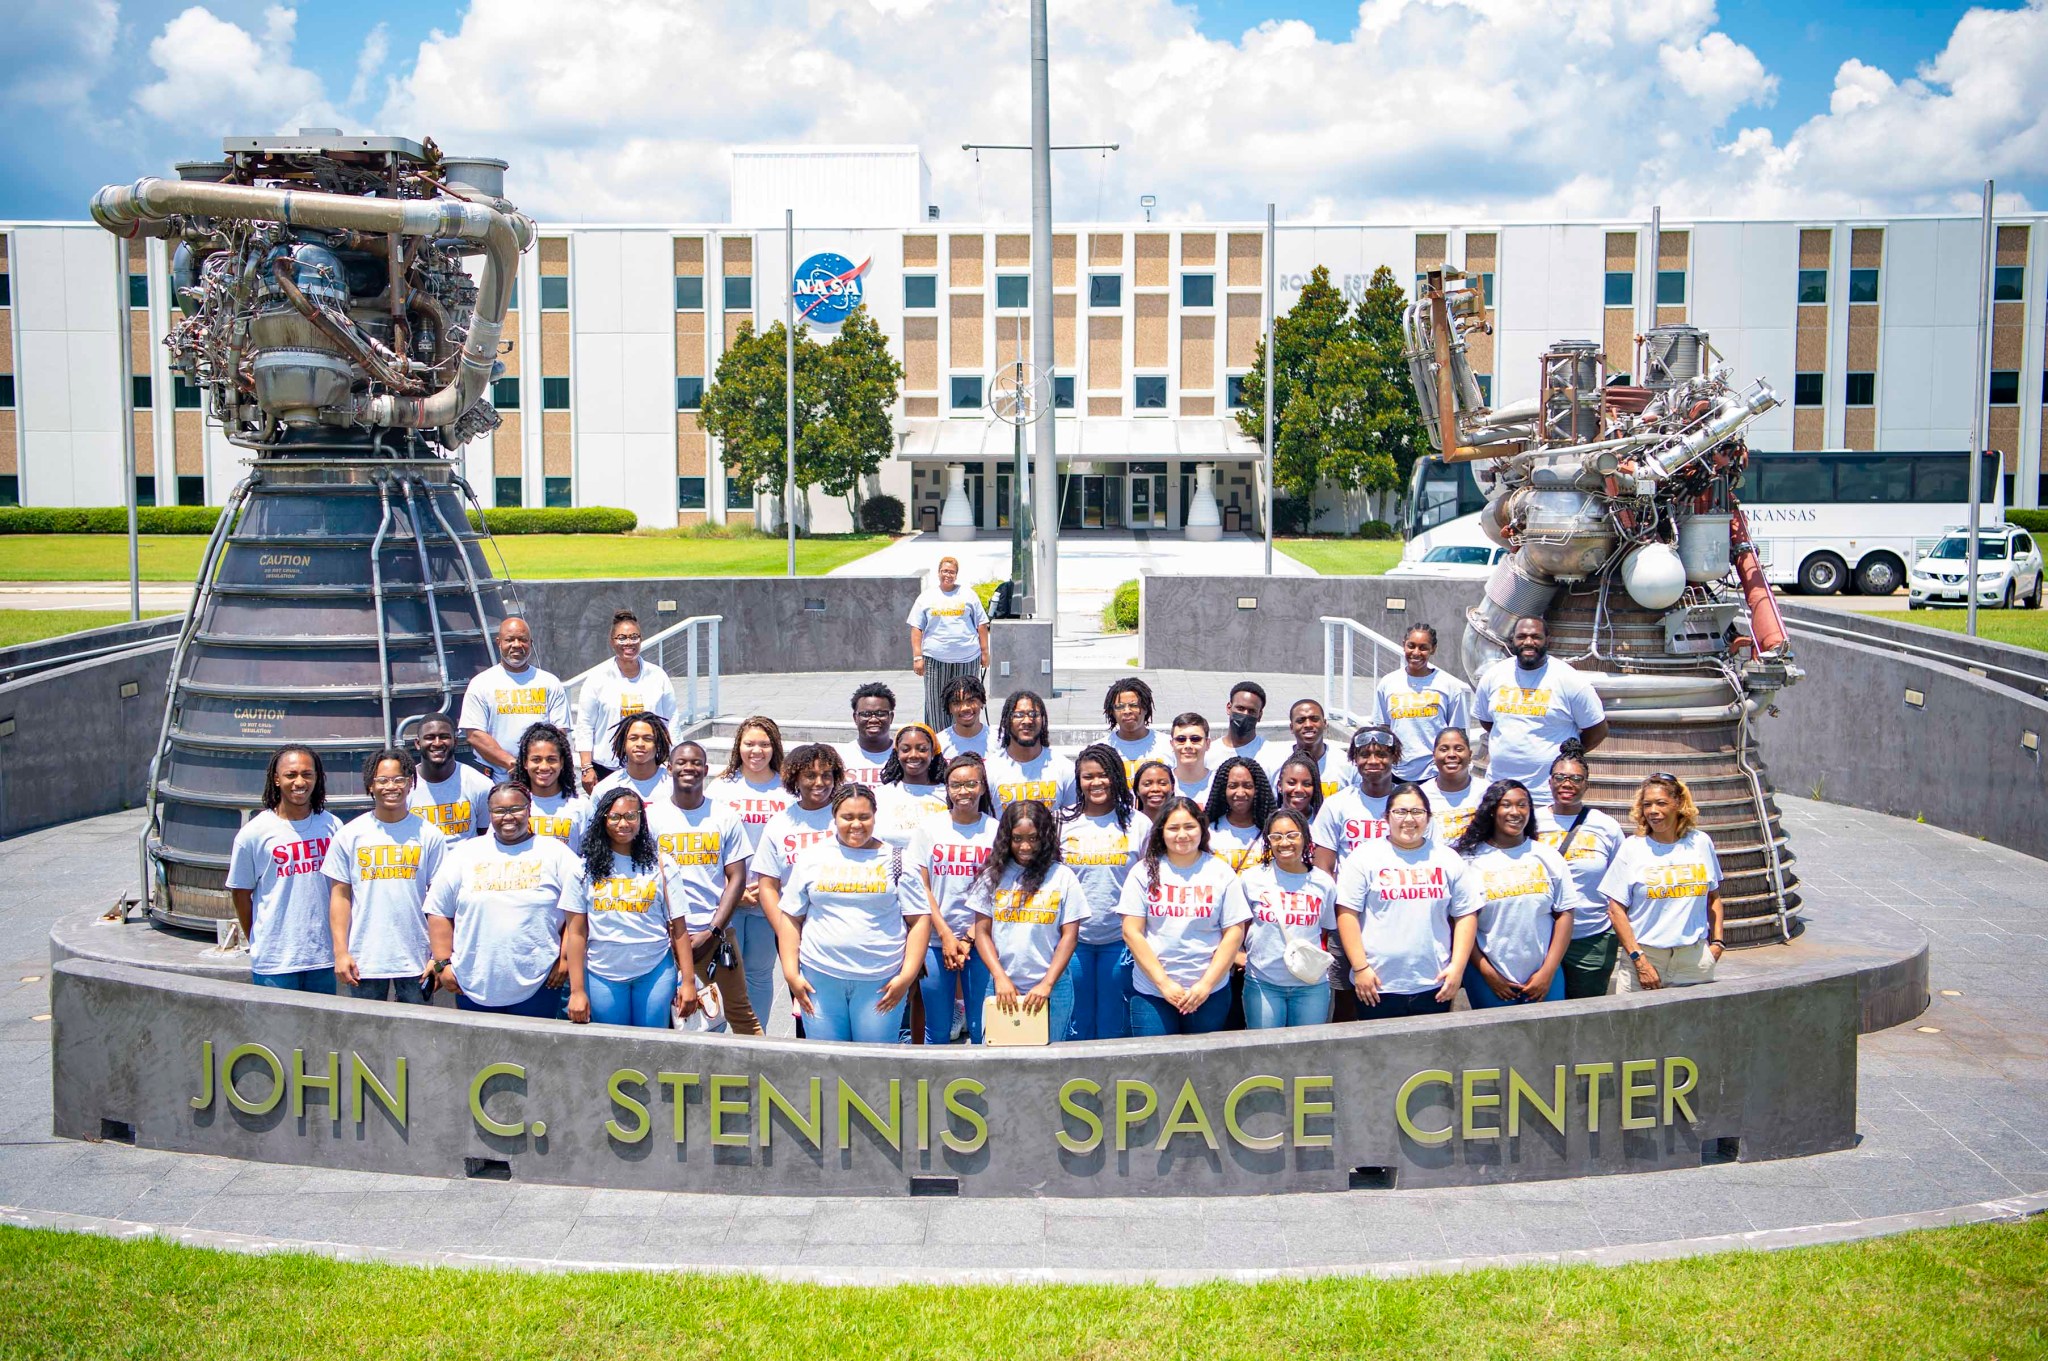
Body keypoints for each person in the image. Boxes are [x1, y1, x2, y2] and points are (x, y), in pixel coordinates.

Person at [774, 785, 932, 1043]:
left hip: (880, 982)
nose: (856, 825)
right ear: (834, 816)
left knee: (873, 1064)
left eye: (864, 817)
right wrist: (791, 974)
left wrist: (906, 976)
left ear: (875, 816)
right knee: (827, 1063)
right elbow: (791, 917)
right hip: (820, 979)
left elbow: (919, 920)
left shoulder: (897, 860)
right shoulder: (812, 857)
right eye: (847, 817)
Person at [423, 782, 589, 1020]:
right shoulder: (464, 854)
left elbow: (577, 915)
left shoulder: (557, 854)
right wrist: (442, 964)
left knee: (534, 1053)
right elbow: (439, 911)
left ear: (529, 809)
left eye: (516, 809)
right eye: (499, 811)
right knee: (479, 1054)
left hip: (540, 982)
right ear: (489, 814)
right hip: (472, 982)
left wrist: (564, 959)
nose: (508, 817)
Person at [1334, 782, 1476, 1020]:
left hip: (1434, 984)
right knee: (1379, 1055)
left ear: (1428, 818)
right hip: (1377, 985)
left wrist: (1457, 968)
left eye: (1417, 812)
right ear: (1386, 817)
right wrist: (1360, 968)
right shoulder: (1364, 858)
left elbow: (1466, 914)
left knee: (1430, 1054)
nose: (1409, 819)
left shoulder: (1447, 859)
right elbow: (1347, 913)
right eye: (1400, 811)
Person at [646, 740, 760, 1034]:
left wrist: (714, 931)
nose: (689, 768)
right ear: (669, 768)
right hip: (664, 938)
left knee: (740, 1015)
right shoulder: (651, 818)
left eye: (696, 762)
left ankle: (761, 1075)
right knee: (667, 1019)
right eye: (682, 762)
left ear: (706, 770)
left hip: (715, 935)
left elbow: (737, 878)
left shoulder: (724, 816)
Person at [323, 747, 448, 1004]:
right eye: (383, 780)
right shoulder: (350, 835)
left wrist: (438, 957)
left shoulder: (430, 835)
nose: (392, 787)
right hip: (365, 960)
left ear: (411, 783)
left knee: (418, 1034)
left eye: (399, 779)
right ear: (370, 785)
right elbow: (340, 897)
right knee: (364, 1038)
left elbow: (440, 902)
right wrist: (340, 952)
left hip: (416, 960)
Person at [1118, 797, 1251, 1036]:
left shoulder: (1221, 872)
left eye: (1189, 826)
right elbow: (1131, 931)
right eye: (1173, 828)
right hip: (1153, 992)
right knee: (1155, 1067)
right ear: (1161, 832)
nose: (1182, 835)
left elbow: (1234, 932)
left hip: (1209, 992)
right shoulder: (1143, 872)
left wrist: (1206, 985)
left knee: (1202, 1067)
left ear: (1202, 828)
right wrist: (1164, 984)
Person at [577, 788, 698, 1028]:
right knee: (612, 1048)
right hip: (602, 972)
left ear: (641, 820)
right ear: (603, 820)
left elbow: (679, 929)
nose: (623, 823)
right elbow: (576, 932)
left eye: (631, 816)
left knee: (652, 1047)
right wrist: (577, 990)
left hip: (654, 970)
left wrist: (688, 981)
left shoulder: (662, 864)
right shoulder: (584, 869)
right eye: (615, 817)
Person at [227, 746, 342, 993]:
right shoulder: (253, 834)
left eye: (307, 774)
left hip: (322, 957)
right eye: (291, 775)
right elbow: (240, 894)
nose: (299, 782)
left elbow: (342, 891)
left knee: (321, 1030)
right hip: (275, 962)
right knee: (277, 1032)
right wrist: (260, 940)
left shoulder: (333, 827)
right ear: (276, 779)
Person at [1450, 780, 1573, 1008]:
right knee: (1498, 1042)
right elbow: (1459, 922)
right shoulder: (1467, 861)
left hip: (1544, 975)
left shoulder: (1548, 856)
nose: (1515, 812)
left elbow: (1565, 915)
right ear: (1492, 810)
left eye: (1522, 805)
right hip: (1488, 977)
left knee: (1549, 1040)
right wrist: (1488, 974)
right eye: (1506, 805)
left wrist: (1548, 971)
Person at [971, 800, 1086, 1043]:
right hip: (1003, 988)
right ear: (1006, 838)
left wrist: (1047, 984)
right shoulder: (992, 877)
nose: (1025, 846)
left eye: (1033, 838)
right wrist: (1000, 978)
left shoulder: (1063, 877)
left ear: (1045, 837)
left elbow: (1070, 936)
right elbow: (982, 933)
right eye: (1017, 838)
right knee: (1000, 1061)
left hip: (1052, 990)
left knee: (1048, 1065)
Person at [1600, 772, 1725, 993]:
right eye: (1647, 804)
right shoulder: (1632, 848)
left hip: (1693, 960)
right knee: (1635, 1026)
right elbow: (1615, 910)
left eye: (1661, 803)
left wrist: (1717, 943)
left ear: (1678, 804)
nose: (1653, 811)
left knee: (1694, 1026)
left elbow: (1713, 897)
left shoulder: (1701, 842)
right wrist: (1639, 961)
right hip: (1645, 958)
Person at [906, 753, 1000, 1044]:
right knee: (938, 1027)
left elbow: (999, 890)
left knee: (980, 1025)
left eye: (971, 784)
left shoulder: (995, 831)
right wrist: (946, 935)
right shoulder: (929, 829)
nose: (964, 792)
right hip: (935, 941)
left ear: (983, 787)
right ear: (946, 788)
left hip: (981, 940)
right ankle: (935, 1089)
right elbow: (922, 887)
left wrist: (970, 937)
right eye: (956, 785)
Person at [751, 742, 847, 1024]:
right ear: (795, 778)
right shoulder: (781, 823)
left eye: (827, 775)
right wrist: (784, 930)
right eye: (810, 775)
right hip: (795, 930)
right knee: (806, 1007)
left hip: (839, 929)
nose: (819, 782)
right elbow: (768, 884)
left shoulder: (845, 816)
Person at [1060, 744, 1150, 1041]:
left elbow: (1151, 880)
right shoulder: (1062, 822)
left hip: (1120, 941)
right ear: (1079, 781)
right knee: (1076, 1022)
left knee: (1114, 1024)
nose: (1096, 782)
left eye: (1103, 775)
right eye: (1088, 777)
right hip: (1073, 941)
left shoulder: (1137, 824)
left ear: (1116, 777)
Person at [1473, 616, 1608, 805]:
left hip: (1547, 796)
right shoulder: (1493, 676)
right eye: (1522, 636)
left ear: (1548, 640)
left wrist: (1568, 755)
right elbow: (1488, 722)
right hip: (1500, 790)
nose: (1528, 642)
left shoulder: (1570, 680)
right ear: (1512, 640)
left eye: (1536, 636)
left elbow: (1597, 729)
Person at [710, 715, 793, 1019]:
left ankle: (757, 1038)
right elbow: (711, 843)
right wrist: (733, 889)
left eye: (764, 743)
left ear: (775, 747)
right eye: (749, 743)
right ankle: (719, 1037)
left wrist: (774, 886)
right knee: (722, 971)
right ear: (738, 746)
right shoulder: (721, 788)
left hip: (769, 897)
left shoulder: (786, 788)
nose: (756, 750)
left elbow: (792, 842)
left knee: (759, 973)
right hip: (727, 896)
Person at [1230, 809, 1338, 1028]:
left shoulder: (1323, 883)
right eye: (1276, 837)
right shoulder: (1251, 879)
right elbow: (1236, 925)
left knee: (1308, 1054)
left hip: (1311, 984)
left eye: (1292, 835)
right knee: (1265, 1053)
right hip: (1263, 983)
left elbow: (1325, 928)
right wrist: (1238, 955)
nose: (1284, 842)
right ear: (1268, 841)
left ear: (1305, 838)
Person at [1536, 741, 1627, 999]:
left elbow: (1620, 885)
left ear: (1586, 784)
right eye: (1560, 777)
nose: (1567, 784)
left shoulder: (1606, 826)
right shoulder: (1532, 822)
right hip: (1542, 936)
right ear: (1550, 781)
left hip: (1591, 937)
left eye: (1576, 778)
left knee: (1587, 1013)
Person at [572, 609, 679, 791]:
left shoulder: (658, 676)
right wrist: (586, 767)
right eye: (622, 638)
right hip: (606, 769)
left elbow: (672, 721)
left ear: (641, 639)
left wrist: (675, 759)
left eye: (634, 637)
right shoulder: (597, 678)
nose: (628, 643)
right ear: (612, 641)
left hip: (650, 769)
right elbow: (585, 725)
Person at [459, 617, 570, 776]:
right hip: (495, 778)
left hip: (541, 776)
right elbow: (475, 735)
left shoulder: (550, 682)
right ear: (499, 642)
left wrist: (535, 765)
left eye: (522, 640)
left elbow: (559, 731)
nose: (516, 645)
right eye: (510, 639)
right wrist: (512, 764)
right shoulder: (480, 683)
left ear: (531, 643)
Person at [1373, 625, 1475, 782]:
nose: (1416, 653)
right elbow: (1383, 729)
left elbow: (1457, 734)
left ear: (1433, 649)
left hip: (1434, 772)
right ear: (1403, 645)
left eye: (1423, 648)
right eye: (1411, 646)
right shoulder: (1388, 683)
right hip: (1397, 772)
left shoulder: (1448, 685)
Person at [908, 555, 991, 729]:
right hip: (935, 659)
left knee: (965, 700)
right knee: (936, 703)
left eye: (952, 572)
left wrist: (985, 652)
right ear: (938, 573)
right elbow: (916, 628)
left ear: (956, 575)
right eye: (945, 571)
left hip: (967, 658)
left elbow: (981, 624)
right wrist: (917, 657)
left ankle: (964, 736)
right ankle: (939, 743)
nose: (948, 575)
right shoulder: (926, 597)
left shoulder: (968, 594)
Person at [1310, 726, 1401, 871]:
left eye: (1381, 754)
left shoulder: (1411, 803)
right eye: (1365, 755)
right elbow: (1323, 867)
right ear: (1354, 759)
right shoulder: (1336, 805)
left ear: (1394, 758)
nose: (1373, 761)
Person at [985, 689, 1074, 810]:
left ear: (1043, 720)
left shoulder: (1064, 768)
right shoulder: (989, 770)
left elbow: (1072, 818)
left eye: (1033, 714)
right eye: (1019, 715)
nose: (1027, 721)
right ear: (1007, 720)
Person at [409, 712, 493, 838]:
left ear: (456, 742)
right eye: (430, 737)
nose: (437, 743)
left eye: (444, 736)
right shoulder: (405, 786)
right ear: (417, 743)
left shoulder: (480, 784)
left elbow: (485, 838)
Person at [511, 722, 591, 847]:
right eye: (536, 759)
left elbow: (588, 856)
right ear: (525, 762)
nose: (544, 767)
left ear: (562, 762)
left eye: (551, 759)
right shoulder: (512, 804)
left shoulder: (581, 806)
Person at [873, 723, 947, 850]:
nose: (913, 755)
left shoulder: (948, 794)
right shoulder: (880, 795)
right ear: (897, 753)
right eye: (906, 749)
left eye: (922, 749)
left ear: (933, 753)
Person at [1203, 756, 1275, 872]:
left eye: (1248, 786)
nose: (1240, 793)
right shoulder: (1208, 831)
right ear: (1223, 789)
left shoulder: (1272, 832)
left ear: (1258, 789)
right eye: (1233, 786)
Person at [590, 711, 673, 806]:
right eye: (633, 738)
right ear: (623, 743)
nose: (640, 744)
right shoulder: (605, 788)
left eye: (648, 739)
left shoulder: (674, 784)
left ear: (658, 744)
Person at [1419, 727, 1483, 846]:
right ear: (1434, 755)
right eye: (1444, 749)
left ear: (1470, 755)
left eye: (1459, 749)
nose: (1452, 754)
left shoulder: (1486, 791)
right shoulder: (1420, 796)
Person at [1274, 698, 1351, 797]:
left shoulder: (1346, 763)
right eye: (1301, 720)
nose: (1308, 725)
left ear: (1325, 724)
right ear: (1291, 727)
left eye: (1314, 719)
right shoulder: (1276, 764)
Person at [1101, 677, 1170, 780]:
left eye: (1134, 705)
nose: (1127, 711)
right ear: (1112, 712)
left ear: (1146, 708)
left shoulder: (1168, 745)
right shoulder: (1102, 749)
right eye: (1120, 707)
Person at [838, 682, 898, 787]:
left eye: (881, 714)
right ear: (855, 718)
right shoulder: (839, 757)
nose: (873, 719)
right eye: (866, 714)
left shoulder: (903, 756)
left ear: (891, 717)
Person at [1214, 680, 1276, 768]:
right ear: (1229, 708)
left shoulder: (1271, 755)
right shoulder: (1208, 753)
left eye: (1252, 711)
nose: (1245, 714)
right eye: (1240, 708)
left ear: (1260, 715)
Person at [937, 675, 992, 760]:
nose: (965, 708)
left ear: (982, 702)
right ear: (949, 708)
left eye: (971, 701)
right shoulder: (939, 743)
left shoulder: (999, 739)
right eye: (957, 703)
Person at [1166, 712, 1215, 806]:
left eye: (1195, 739)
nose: (1188, 745)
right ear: (1172, 744)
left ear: (1208, 744)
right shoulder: (1163, 784)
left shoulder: (1218, 783)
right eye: (1181, 739)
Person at [1272, 753, 1326, 822]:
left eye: (1306, 784)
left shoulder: (1324, 822)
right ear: (1280, 786)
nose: (1299, 789)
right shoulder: (1270, 823)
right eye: (1291, 783)